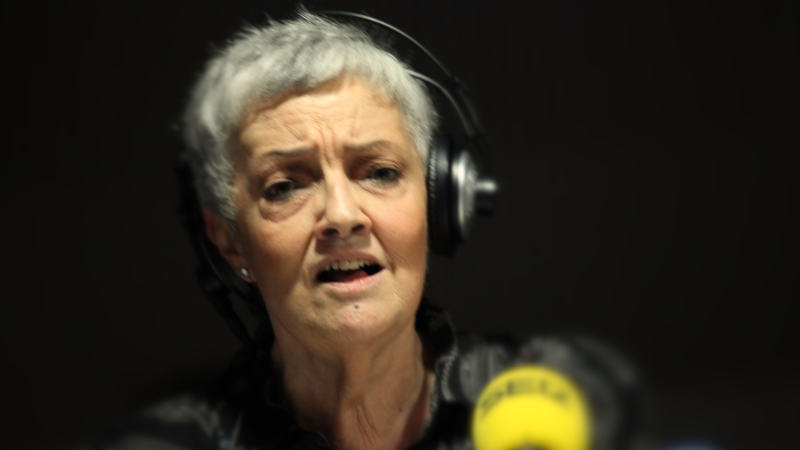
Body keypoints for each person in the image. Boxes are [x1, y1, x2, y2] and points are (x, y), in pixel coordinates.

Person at [96, 11, 647, 450]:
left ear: (439, 202)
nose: (342, 215)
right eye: (285, 186)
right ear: (229, 240)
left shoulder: (572, 387)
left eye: (379, 173)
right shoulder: (172, 440)